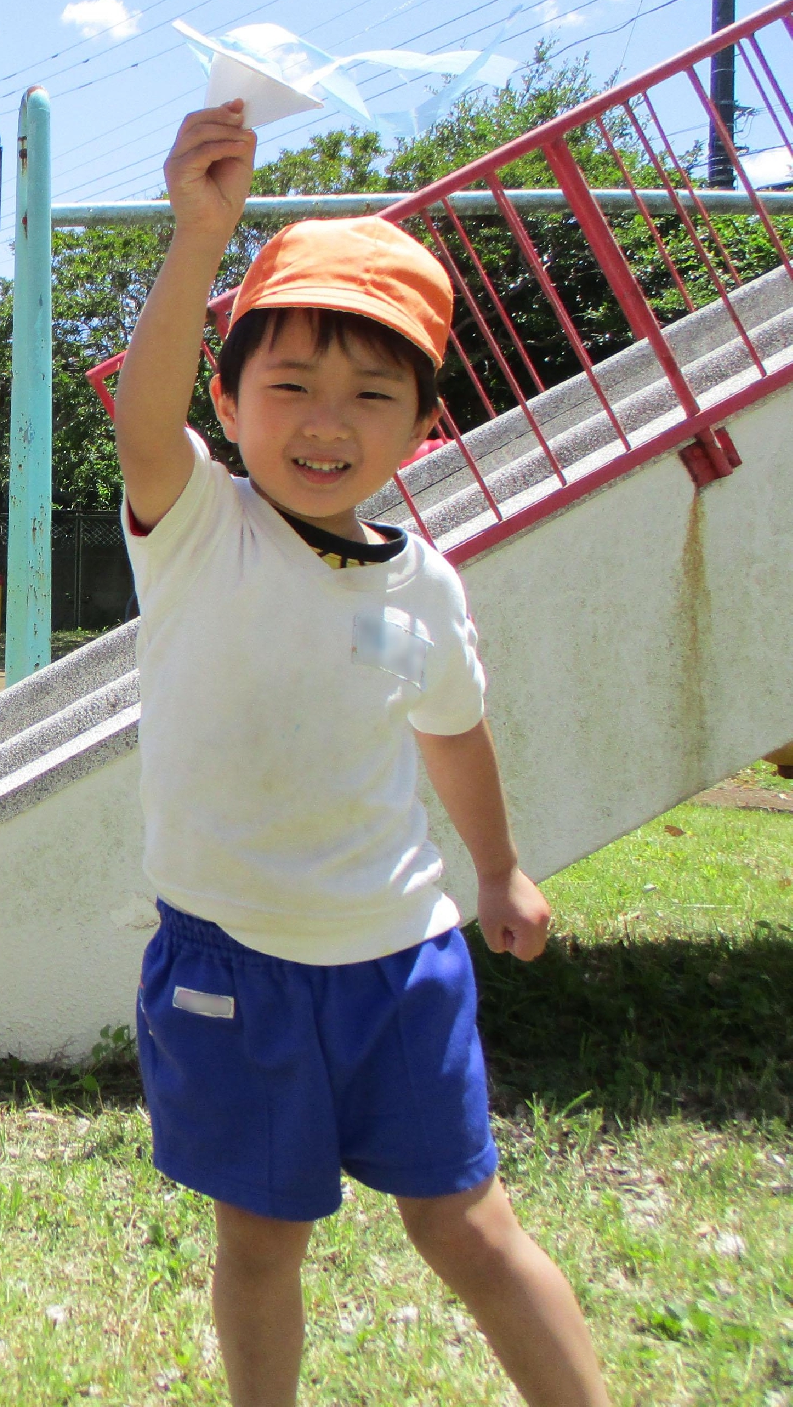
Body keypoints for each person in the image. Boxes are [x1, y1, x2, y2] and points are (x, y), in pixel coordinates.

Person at [113, 102, 610, 1407]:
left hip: (401, 961)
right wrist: (199, 237)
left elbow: (451, 729)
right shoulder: (200, 528)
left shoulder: (424, 587)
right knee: (262, 1241)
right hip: (234, 960)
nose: (325, 420)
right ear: (228, 400)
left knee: (468, 1225)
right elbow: (141, 425)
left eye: (370, 394)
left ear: (421, 428)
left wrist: (496, 871)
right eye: (288, 385)